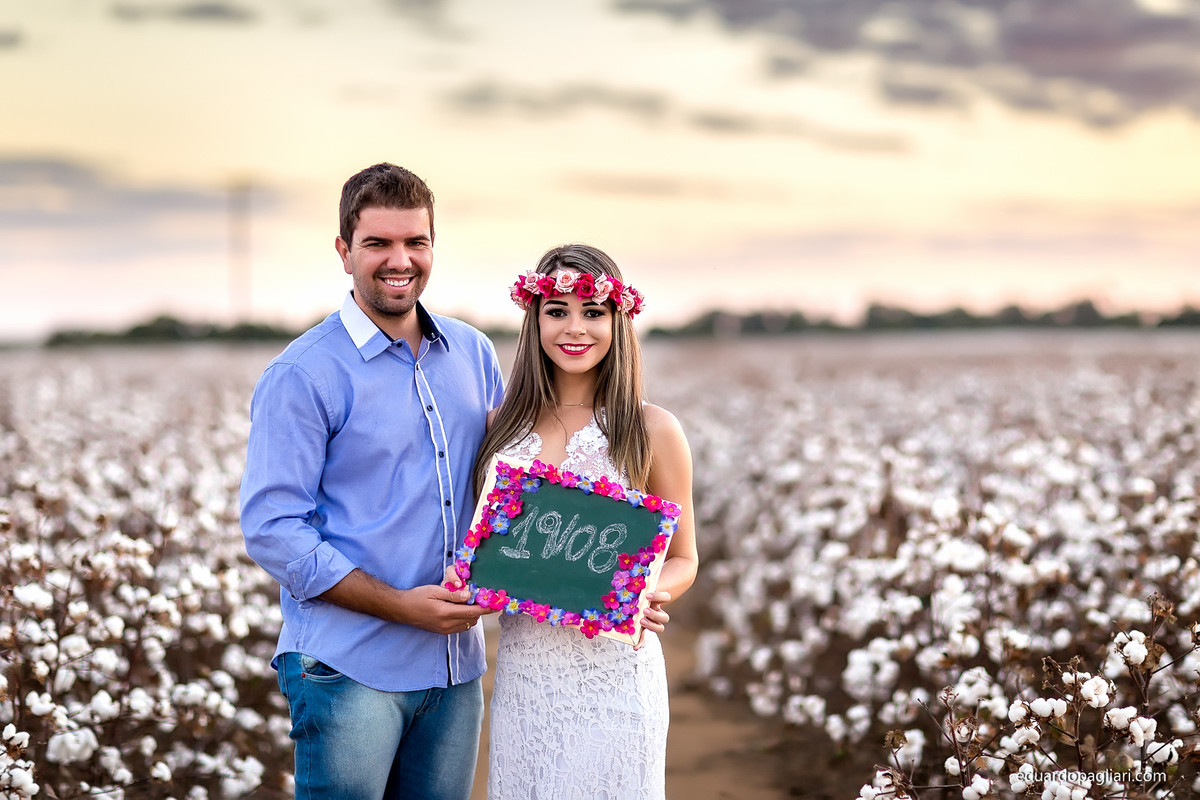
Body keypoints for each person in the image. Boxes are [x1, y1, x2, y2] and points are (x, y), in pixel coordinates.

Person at [239, 163, 503, 800]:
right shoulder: (303, 374)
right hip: (347, 665)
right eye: (378, 243)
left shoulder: (472, 352)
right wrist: (398, 604)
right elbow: (274, 532)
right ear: (344, 251)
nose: (400, 260)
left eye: (416, 242)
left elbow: (509, 486)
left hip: (453, 665)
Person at [467, 243, 698, 799]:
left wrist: (644, 594)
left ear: (618, 320)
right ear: (534, 319)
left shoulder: (652, 429)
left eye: (593, 312)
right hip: (526, 676)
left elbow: (685, 557)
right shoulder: (497, 428)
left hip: (618, 674)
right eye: (557, 311)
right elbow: (481, 548)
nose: (575, 328)